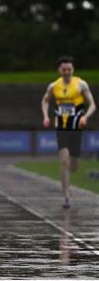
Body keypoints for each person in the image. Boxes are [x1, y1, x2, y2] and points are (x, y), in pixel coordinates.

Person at [41, 55, 95, 208]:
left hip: (76, 127)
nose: (66, 72)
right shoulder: (53, 86)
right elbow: (45, 101)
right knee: (63, 161)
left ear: (73, 69)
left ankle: (72, 172)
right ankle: (66, 196)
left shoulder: (81, 84)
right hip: (62, 128)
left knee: (74, 165)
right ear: (59, 70)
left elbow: (92, 105)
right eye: (64, 69)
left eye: (69, 69)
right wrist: (45, 116)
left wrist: (86, 116)